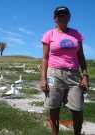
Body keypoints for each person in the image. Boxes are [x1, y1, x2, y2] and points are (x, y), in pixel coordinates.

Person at [40, 6, 89, 135]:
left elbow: (81, 56)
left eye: (65, 15)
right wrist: (43, 78)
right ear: (55, 18)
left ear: (69, 17)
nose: (62, 17)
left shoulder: (76, 34)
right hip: (54, 74)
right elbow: (45, 58)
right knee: (53, 108)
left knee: (77, 109)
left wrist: (85, 75)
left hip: (73, 75)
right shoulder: (49, 34)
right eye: (59, 15)